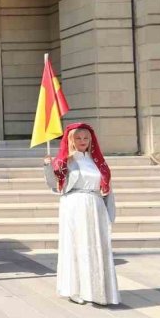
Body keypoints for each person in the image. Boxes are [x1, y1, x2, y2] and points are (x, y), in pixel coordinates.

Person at [44, 123, 119, 305]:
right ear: (71, 140)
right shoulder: (65, 161)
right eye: (78, 138)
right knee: (77, 245)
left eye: (86, 138)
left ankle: (98, 290)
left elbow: (106, 186)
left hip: (95, 205)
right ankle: (75, 289)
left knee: (96, 246)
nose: (82, 141)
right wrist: (48, 166)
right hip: (75, 205)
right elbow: (54, 184)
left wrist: (108, 208)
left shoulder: (97, 161)